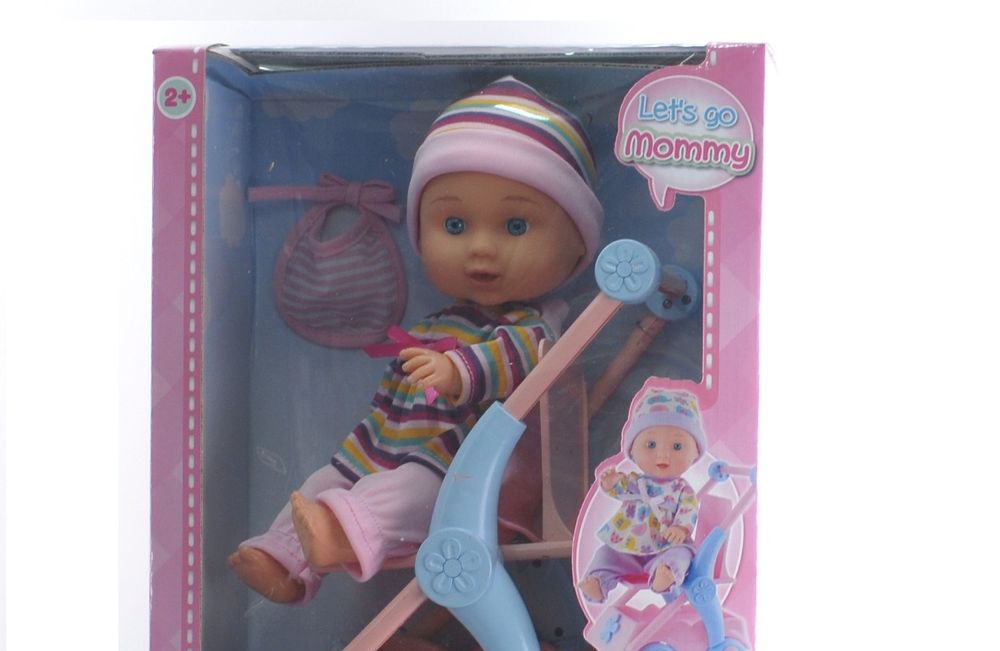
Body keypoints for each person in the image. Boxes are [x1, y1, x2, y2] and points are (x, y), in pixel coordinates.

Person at [229, 77, 603, 603]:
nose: (481, 248)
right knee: (325, 481)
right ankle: (282, 560)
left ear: (576, 249)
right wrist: (370, 434)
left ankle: (337, 537)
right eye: (455, 224)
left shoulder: (535, 327)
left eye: (516, 226)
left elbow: (515, 360)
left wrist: (458, 371)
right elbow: (395, 391)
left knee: (407, 494)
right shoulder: (436, 323)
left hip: (464, 469)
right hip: (391, 443)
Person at [577, 387, 705, 603]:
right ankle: (597, 582)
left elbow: (688, 510)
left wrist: (680, 528)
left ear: (695, 453)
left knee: (682, 555)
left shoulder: (682, 489)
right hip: (630, 548)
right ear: (632, 451)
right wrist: (611, 482)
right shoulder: (635, 482)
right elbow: (620, 490)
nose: (663, 454)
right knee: (606, 554)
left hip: (666, 546)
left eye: (677, 446)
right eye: (651, 444)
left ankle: (667, 574)